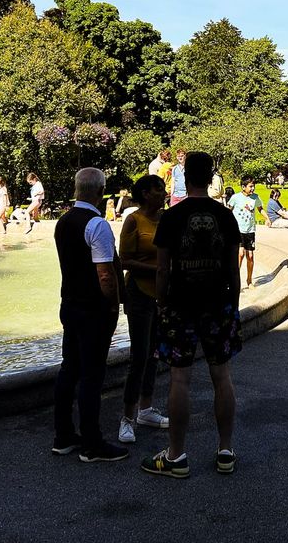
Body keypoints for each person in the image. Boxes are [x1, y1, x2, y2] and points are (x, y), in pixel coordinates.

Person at [143, 152, 241, 478]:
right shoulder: (226, 216)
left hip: (180, 304)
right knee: (222, 377)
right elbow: (232, 268)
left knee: (179, 378)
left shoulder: (172, 217)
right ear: (212, 175)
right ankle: (225, 450)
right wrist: (234, 304)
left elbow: (162, 269)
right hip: (218, 303)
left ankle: (176, 455)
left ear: (184, 176)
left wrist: (161, 304)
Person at [51, 167, 127, 463]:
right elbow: (105, 274)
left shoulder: (63, 221)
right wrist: (113, 305)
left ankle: (64, 435)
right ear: (100, 191)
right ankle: (92, 443)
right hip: (93, 309)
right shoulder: (97, 224)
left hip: (69, 304)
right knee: (92, 375)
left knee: (69, 368)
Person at [117, 174, 171, 444]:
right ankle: (126, 418)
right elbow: (124, 261)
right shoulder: (134, 220)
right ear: (146, 193)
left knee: (154, 354)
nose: (164, 193)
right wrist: (158, 270)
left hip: (162, 295)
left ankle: (146, 409)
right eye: (159, 189)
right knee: (139, 356)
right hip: (138, 293)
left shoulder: (165, 220)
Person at [227, 178, 263, 288]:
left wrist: (267, 218)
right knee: (240, 254)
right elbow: (228, 210)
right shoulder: (235, 198)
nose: (252, 188)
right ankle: (234, 280)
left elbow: (260, 209)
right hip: (238, 230)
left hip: (250, 230)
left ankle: (249, 280)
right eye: (250, 186)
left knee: (250, 256)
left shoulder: (255, 197)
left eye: (253, 186)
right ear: (243, 187)